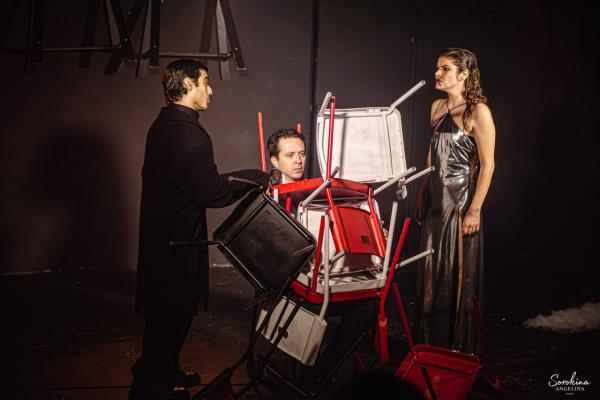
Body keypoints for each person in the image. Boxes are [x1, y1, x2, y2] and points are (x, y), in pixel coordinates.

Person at [130, 59, 269, 400]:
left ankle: (165, 370)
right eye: (205, 81)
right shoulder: (187, 134)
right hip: (175, 245)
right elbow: (213, 192)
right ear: (188, 84)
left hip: (164, 240)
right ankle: (155, 385)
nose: (211, 89)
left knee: (167, 314)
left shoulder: (164, 125)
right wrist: (259, 178)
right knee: (171, 316)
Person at [413, 48, 495, 354]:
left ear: (464, 75)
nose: (437, 73)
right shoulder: (436, 107)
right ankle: (430, 345)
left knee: (457, 270)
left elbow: (488, 164)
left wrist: (475, 209)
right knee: (433, 267)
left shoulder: (478, 111)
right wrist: (422, 190)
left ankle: (457, 348)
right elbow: (432, 153)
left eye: (445, 68)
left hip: (461, 203)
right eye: (437, 67)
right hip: (436, 201)